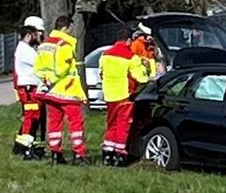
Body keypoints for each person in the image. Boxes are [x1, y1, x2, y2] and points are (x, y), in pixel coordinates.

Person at [34, 15, 89, 165]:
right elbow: (62, 68)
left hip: (49, 91)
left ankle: (55, 154)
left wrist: (46, 79)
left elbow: (37, 68)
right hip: (66, 90)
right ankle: (79, 154)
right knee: (76, 122)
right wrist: (55, 77)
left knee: (54, 123)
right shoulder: (64, 45)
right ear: (65, 28)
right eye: (70, 28)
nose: (71, 31)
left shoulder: (44, 44)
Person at [100, 26, 151, 166]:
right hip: (124, 95)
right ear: (129, 41)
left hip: (109, 94)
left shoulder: (105, 55)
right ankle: (120, 154)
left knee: (111, 125)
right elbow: (142, 78)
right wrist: (147, 67)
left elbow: (101, 73)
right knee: (123, 125)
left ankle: (107, 153)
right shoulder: (131, 57)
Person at [13, 16, 45, 159]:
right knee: (30, 118)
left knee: (32, 117)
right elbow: (40, 63)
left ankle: (24, 145)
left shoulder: (27, 49)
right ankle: (25, 147)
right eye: (36, 34)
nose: (39, 36)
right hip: (28, 89)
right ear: (28, 35)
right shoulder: (25, 50)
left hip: (31, 89)